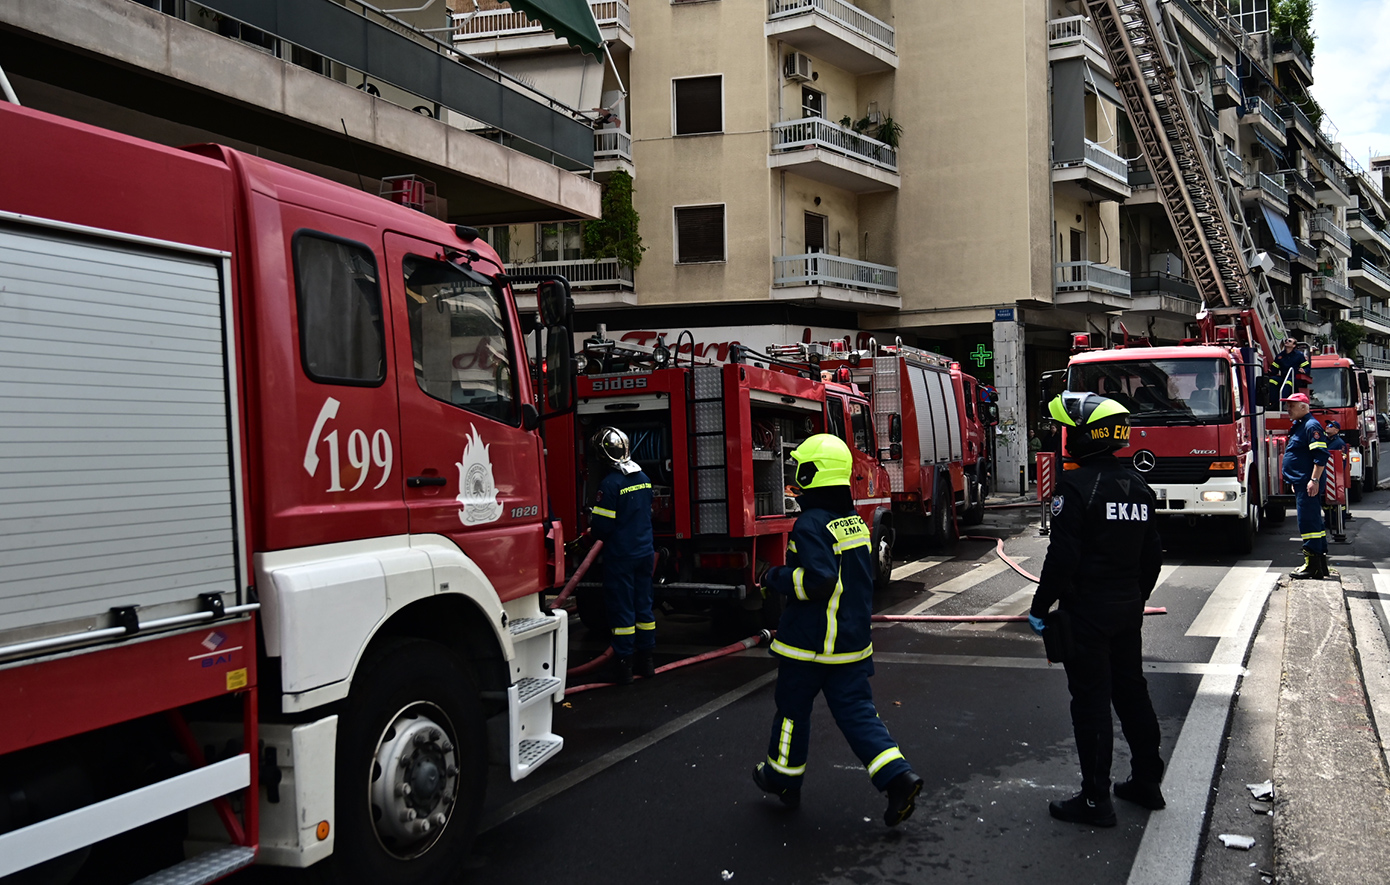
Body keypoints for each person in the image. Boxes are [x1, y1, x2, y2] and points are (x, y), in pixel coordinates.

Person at [751, 434, 924, 826]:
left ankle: (782, 779)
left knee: (792, 713)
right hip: (851, 644)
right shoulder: (853, 523)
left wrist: (775, 577)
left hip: (811, 645)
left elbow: (819, 581)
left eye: (799, 468)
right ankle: (898, 779)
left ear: (812, 474)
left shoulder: (810, 523)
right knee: (858, 714)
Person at [1029, 392, 1165, 827]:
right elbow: (1154, 555)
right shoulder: (1138, 487)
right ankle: (1146, 782)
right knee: (1132, 693)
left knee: (1090, 703)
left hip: (1086, 612)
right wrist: (1135, 596)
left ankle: (1094, 800)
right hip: (1126, 610)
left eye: (1068, 430)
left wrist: (1038, 605)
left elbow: (1062, 557)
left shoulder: (1075, 486)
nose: (1063, 437)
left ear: (1085, 438)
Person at [588, 426, 656, 685]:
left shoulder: (610, 484)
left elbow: (603, 528)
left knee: (623, 611)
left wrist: (591, 531)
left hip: (621, 556)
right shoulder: (644, 478)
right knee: (644, 606)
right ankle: (647, 662)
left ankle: (624, 667)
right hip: (644, 552)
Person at [1281, 393, 1336, 579]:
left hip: (1308, 483)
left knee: (1308, 523)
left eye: (1292, 406)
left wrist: (1314, 480)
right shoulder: (1300, 425)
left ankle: (1312, 566)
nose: (1288, 409)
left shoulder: (1311, 426)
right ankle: (1320, 565)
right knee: (1314, 523)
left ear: (1304, 407)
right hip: (1302, 482)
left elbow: (1321, 456)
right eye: (1287, 405)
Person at [1269, 337, 1312, 403]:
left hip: (1294, 378)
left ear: (1294, 345)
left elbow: (1307, 367)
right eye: (1286, 340)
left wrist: (1304, 370)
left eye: (1289, 341)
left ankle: (1281, 402)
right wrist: (1271, 371)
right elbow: (1274, 368)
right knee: (1272, 380)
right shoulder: (1280, 356)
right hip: (1283, 377)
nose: (1287, 341)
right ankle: (1273, 403)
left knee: (1288, 382)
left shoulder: (1299, 355)